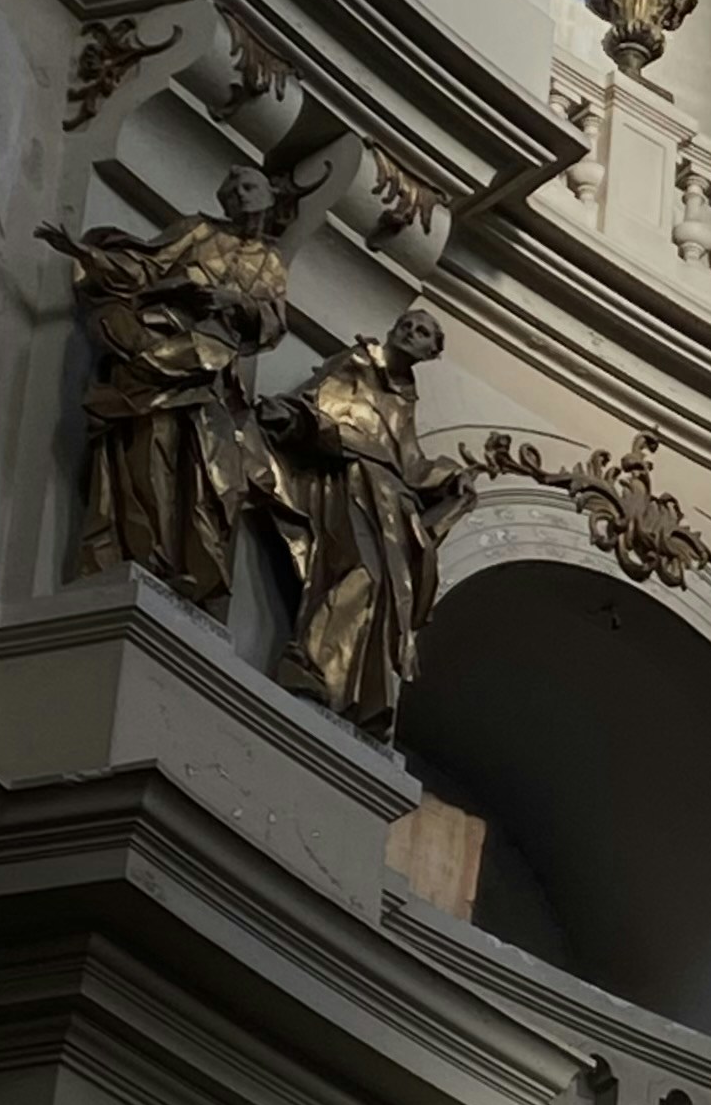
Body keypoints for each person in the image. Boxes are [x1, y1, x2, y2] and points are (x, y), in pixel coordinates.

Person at [40, 167, 289, 613]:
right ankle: (142, 554)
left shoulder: (271, 264)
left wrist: (235, 303)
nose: (237, 197)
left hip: (210, 374)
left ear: (270, 196)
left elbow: (272, 325)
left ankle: (182, 569)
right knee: (149, 451)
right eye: (229, 191)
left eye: (248, 187)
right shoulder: (198, 229)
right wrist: (86, 254)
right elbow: (146, 267)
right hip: (162, 351)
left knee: (213, 480)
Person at [260, 306, 471, 732]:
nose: (412, 333)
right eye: (407, 326)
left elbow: (408, 465)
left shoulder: (403, 398)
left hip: (389, 499)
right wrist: (306, 425)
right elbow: (319, 407)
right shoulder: (357, 363)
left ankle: (353, 691)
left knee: (390, 593)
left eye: (424, 332)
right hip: (353, 478)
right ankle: (311, 665)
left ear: (433, 352)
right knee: (360, 571)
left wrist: (450, 476)